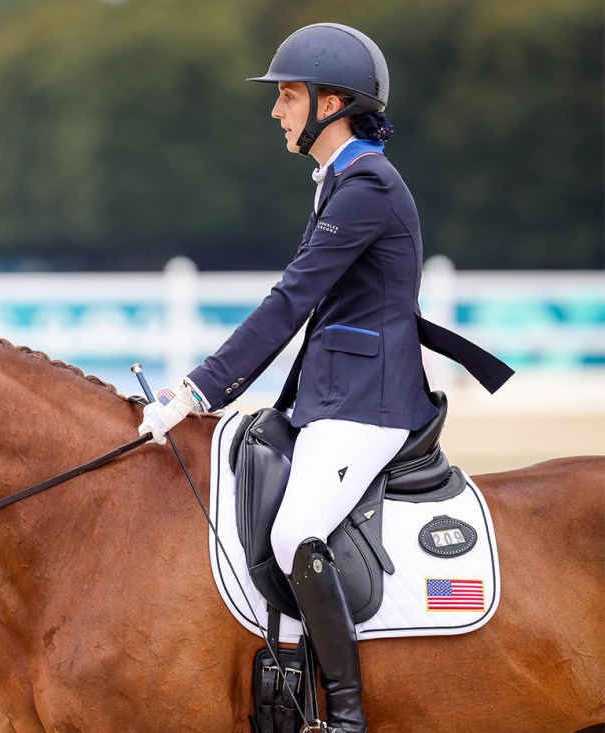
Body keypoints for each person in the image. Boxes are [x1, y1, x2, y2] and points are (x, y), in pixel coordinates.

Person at [137, 23, 512, 733]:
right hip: (331, 393)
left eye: (286, 97)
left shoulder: (367, 184)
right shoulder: (340, 179)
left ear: (332, 101)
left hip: (369, 403)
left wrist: (195, 391)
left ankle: (346, 715)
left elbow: (291, 301)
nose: (276, 112)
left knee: (294, 532)